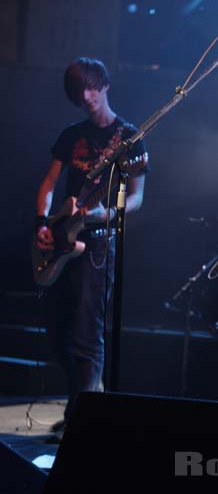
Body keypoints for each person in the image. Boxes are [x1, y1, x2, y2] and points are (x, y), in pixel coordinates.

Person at [35, 57, 148, 431]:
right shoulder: (72, 135)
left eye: (90, 88)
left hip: (99, 245)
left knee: (88, 331)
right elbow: (50, 184)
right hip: (62, 240)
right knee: (57, 330)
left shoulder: (130, 139)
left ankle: (81, 416)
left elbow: (136, 198)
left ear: (104, 85)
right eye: (78, 91)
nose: (86, 96)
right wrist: (42, 223)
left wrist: (107, 214)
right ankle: (79, 399)